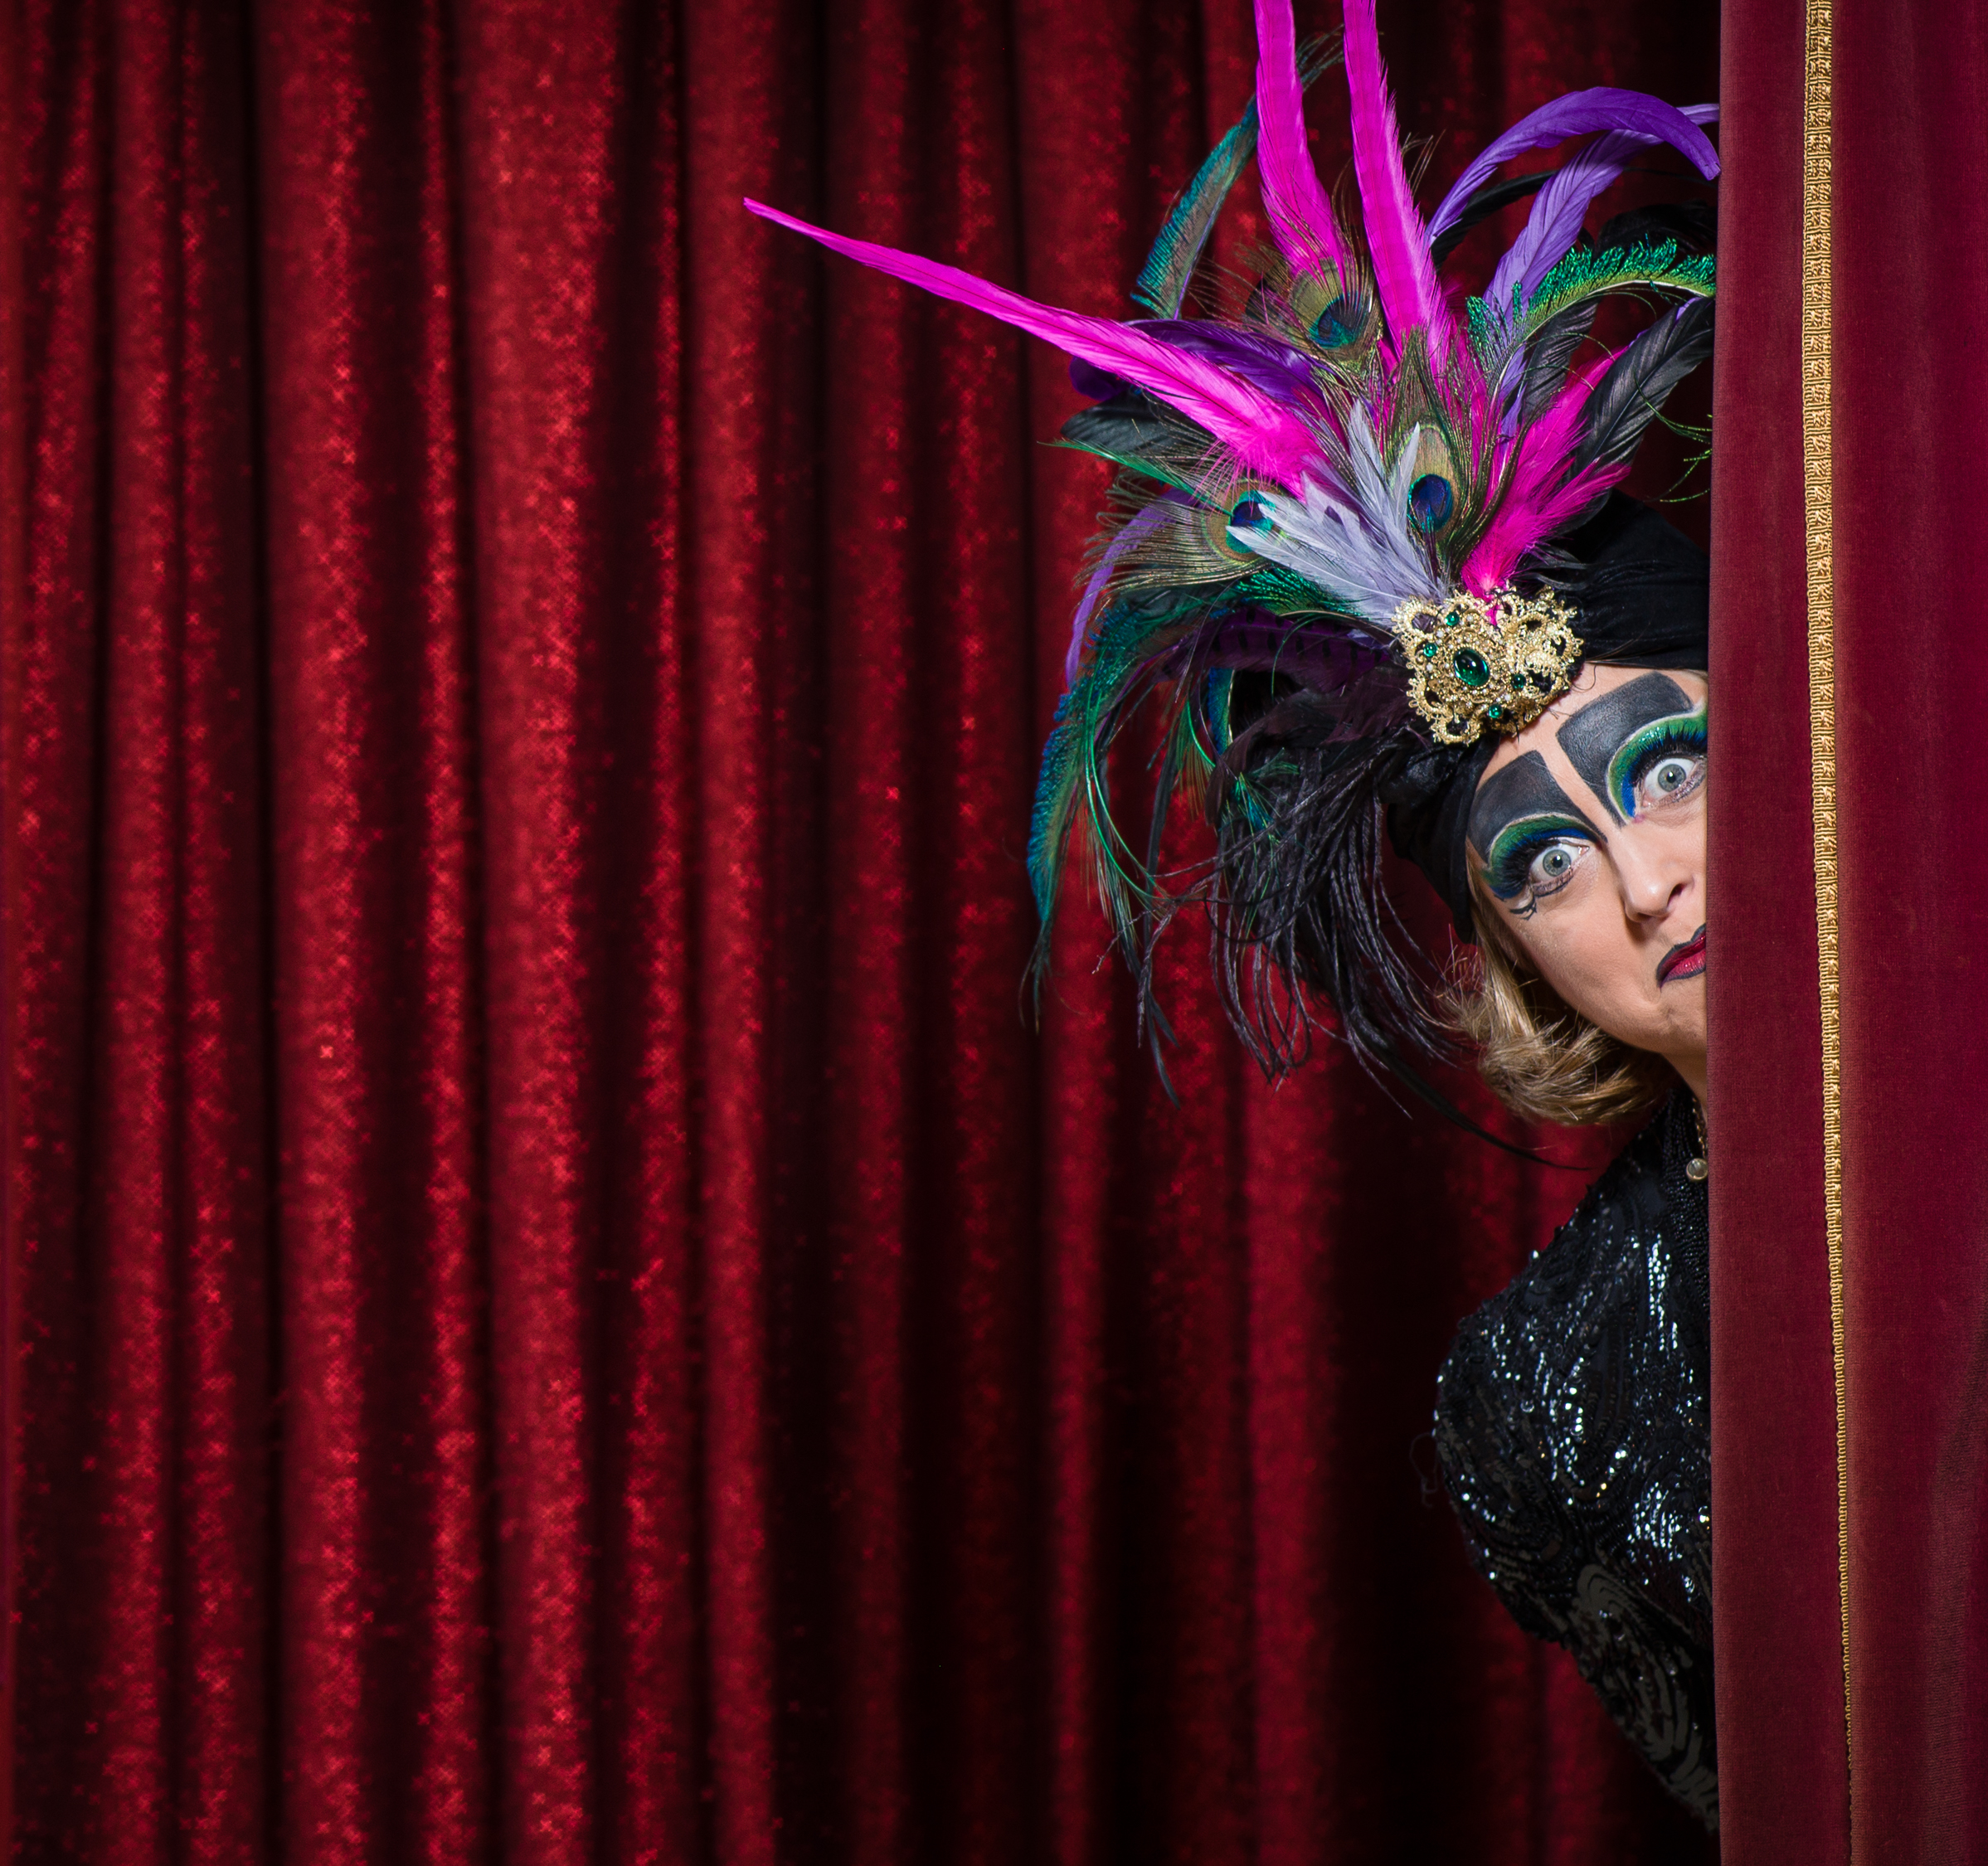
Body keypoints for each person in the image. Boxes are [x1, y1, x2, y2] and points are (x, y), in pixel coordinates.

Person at [751, 0, 1723, 1824]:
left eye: (1660, 765)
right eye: (1541, 857)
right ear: (1519, 962)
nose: (1641, 872)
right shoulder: (1539, 1399)